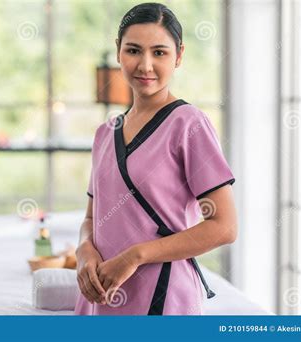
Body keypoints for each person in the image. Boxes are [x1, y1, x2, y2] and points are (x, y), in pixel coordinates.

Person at [74, 2, 237, 315]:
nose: (145, 65)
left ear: (179, 56)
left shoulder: (189, 125)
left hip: (163, 298)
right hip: (100, 300)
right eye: (133, 51)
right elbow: (91, 219)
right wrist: (84, 250)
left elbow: (224, 226)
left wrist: (135, 255)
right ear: (118, 52)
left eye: (159, 52)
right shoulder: (105, 133)